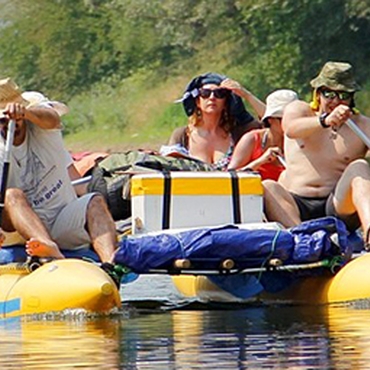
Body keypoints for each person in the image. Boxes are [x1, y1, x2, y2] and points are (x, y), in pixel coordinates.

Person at [0, 78, 117, 262]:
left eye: (10, 119)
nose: (7, 125)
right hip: (19, 230)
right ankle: (47, 246)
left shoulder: (42, 128)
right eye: (2, 121)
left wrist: (25, 112)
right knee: (12, 195)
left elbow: (51, 118)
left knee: (95, 201)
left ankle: (111, 265)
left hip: (60, 220)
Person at [262, 61, 370, 247]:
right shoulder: (299, 110)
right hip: (297, 203)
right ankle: (303, 242)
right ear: (318, 94)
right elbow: (290, 129)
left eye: (343, 95)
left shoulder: (363, 125)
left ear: (351, 98)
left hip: (337, 205)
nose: (336, 101)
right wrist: (325, 121)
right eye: (329, 94)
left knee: (359, 167)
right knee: (268, 185)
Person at [166, 72, 263, 170]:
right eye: (205, 93)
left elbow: (272, 122)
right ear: (197, 102)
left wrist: (247, 95)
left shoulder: (237, 133)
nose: (212, 97)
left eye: (219, 94)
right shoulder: (182, 135)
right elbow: (168, 166)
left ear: (225, 103)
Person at [228, 89, 298, 180]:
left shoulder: (302, 142)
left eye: (294, 119)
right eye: (284, 119)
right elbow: (229, 177)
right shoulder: (252, 139)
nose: (290, 123)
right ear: (270, 119)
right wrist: (261, 161)